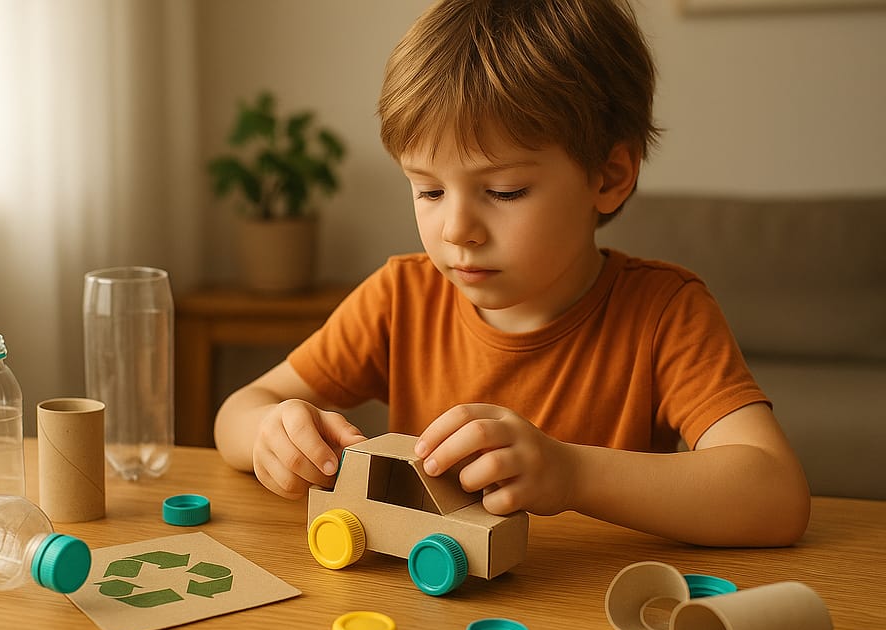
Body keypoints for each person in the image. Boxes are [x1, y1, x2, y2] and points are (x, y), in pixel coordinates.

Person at [214, 0, 810, 547]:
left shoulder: (665, 312)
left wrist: (572, 473)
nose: (456, 229)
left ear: (607, 177)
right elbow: (239, 410)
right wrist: (272, 429)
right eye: (427, 190)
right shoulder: (401, 297)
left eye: (504, 190)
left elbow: (775, 496)